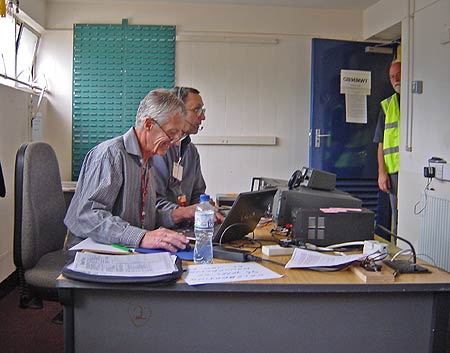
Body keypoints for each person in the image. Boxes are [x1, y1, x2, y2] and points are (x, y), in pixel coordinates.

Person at [64, 89, 190, 252]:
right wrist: (142, 237)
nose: (175, 142)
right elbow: (89, 216)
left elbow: (143, 217)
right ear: (149, 124)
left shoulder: (148, 161)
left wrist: (180, 215)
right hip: (89, 253)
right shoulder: (111, 154)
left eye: (179, 136)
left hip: (125, 250)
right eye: (172, 133)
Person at [153, 86, 224, 228]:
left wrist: (204, 206)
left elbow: (197, 194)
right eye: (196, 110)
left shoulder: (191, 152)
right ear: (177, 111)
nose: (202, 117)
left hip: (185, 230)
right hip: (160, 233)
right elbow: (154, 204)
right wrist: (187, 212)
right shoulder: (158, 150)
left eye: (202, 111)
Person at [373, 60, 401, 236]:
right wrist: (381, 172)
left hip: (415, 171)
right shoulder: (387, 105)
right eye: (392, 76)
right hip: (394, 171)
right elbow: (380, 142)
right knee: (398, 216)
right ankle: (399, 257)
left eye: (398, 74)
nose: (395, 79)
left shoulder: (418, 102)